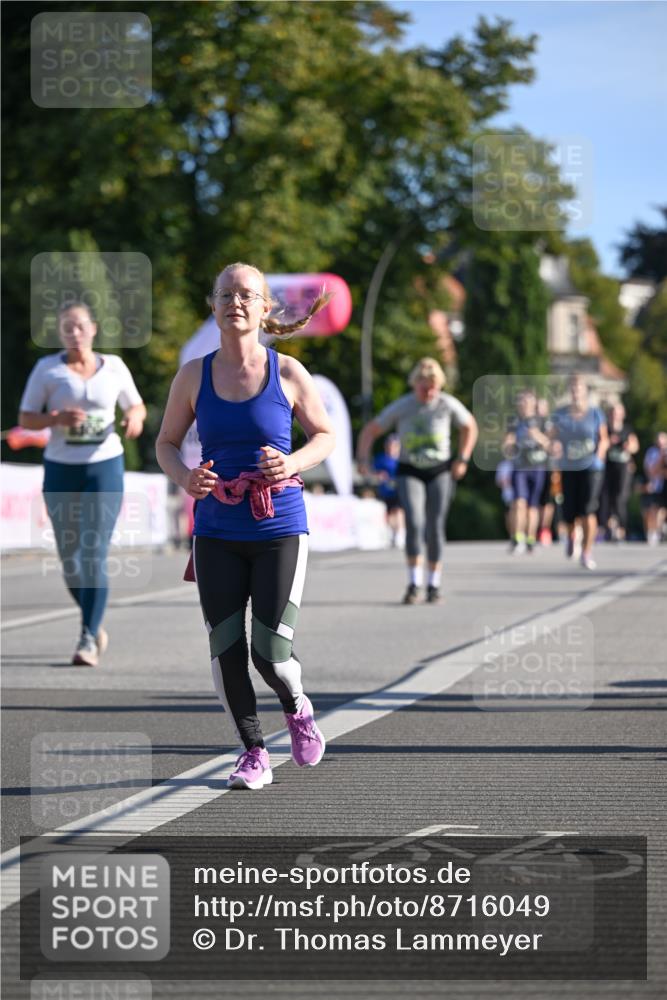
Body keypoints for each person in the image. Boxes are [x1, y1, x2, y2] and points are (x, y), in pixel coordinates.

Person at [156, 262, 335, 791]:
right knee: (225, 646)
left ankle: (297, 706)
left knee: (270, 650)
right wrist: (187, 477)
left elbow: (324, 435)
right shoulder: (193, 375)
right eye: (225, 294)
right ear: (213, 306)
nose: (235, 302)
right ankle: (253, 751)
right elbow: (165, 443)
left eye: (246, 295)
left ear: (264, 308)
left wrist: (293, 462)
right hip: (215, 527)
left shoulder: (288, 373)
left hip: (278, 524)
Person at [18, 302, 146, 665]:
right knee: (70, 559)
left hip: (104, 466)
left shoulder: (115, 367)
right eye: (66, 328)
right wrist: (55, 418)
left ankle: (88, 635)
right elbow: (26, 418)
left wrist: (134, 419)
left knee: (93, 553)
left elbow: (136, 406)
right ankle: (93, 619)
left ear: (93, 329)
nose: (74, 333)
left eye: (79, 326)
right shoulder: (48, 370)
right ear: (60, 333)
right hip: (61, 469)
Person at [356, 357, 477, 605]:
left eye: (434, 387)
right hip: (409, 469)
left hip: (440, 469)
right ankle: (414, 583)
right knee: (415, 522)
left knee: (435, 526)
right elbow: (371, 430)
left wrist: (462, 458)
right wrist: (363, 459)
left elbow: (469, 426)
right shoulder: (404, 406)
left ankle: (433, 584)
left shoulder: (446, 404)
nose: (429, 392)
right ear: (415, 385)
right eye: (424, 387)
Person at [549, 374, 608, 570]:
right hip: (568, 466)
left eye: (579, 388)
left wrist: (599, 456)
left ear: (585, 391)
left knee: (588, 509)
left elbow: (604, 439)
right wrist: (553, 445)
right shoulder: (560, 414)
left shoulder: (595, 413)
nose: (575, 392)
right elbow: (551, 437)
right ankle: (573, 536)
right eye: (572, 388)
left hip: (591, 467)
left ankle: (586, 552)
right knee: (569, 514)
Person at [502, 389, 550, 554]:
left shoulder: (542, 421)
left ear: (533, 403)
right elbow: (507, 442)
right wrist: (508, 445)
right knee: (518, 503)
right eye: (521, 401)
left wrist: (536, 435)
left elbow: (549, 444)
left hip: (537, 467)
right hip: (520, 467)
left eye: (527, 401)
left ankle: (531, 538)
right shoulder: (514, 421)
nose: (524, 405)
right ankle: (518, 538)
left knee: (532, 506)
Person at [599, 403, 639, 541]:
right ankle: (609, 527)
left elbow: (635, 446)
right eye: (613, 412)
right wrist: (608, 442)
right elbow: (600, 445)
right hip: (608, 467)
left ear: (623, 414)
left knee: (620, 497)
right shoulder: (605, 429)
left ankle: (621, 528)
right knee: (606, 497)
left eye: (618, 412)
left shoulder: (627, 429)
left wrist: (629, 446)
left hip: (623, 468)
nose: (615, 415)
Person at [373, 433, 406, 548]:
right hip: (386, 490)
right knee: (390, 512)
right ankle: (393, 532)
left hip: (400, 489)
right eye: (389, 445)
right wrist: (379, 475)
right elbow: (374, 472)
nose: (391, 447)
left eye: (394, 445)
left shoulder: (402, 459)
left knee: (399, 510)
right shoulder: (381, 459)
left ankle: (400, 533)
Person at [641, 431, 667, 545]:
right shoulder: (652, 452)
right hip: (657, 485)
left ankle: (660, 529)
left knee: (662, 510)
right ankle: (654, 532)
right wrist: (661, 458)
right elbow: (652, 470)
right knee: (654, 509)